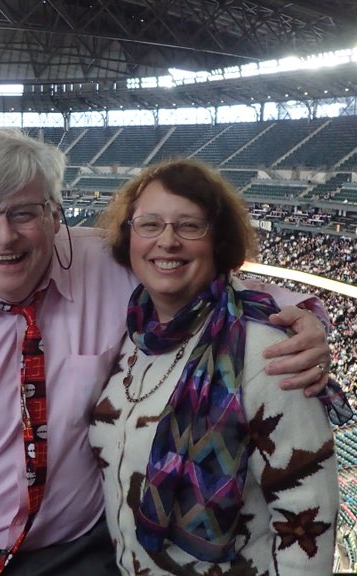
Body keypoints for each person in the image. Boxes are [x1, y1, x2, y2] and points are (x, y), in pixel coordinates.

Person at [0, 129, 337, 576]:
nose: (5, 237)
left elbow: (202, 280)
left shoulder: (106, 263)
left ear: (54, 211)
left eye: (23, 213)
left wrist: (299, 313)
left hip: (84, 552)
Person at [89, 159, 340, 574]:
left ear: (218, 241)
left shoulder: (266, 353)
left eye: (190, 226)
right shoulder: (131, 335)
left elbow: (308, 524)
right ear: (128, 236)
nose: (167, 241)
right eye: (149, 224)